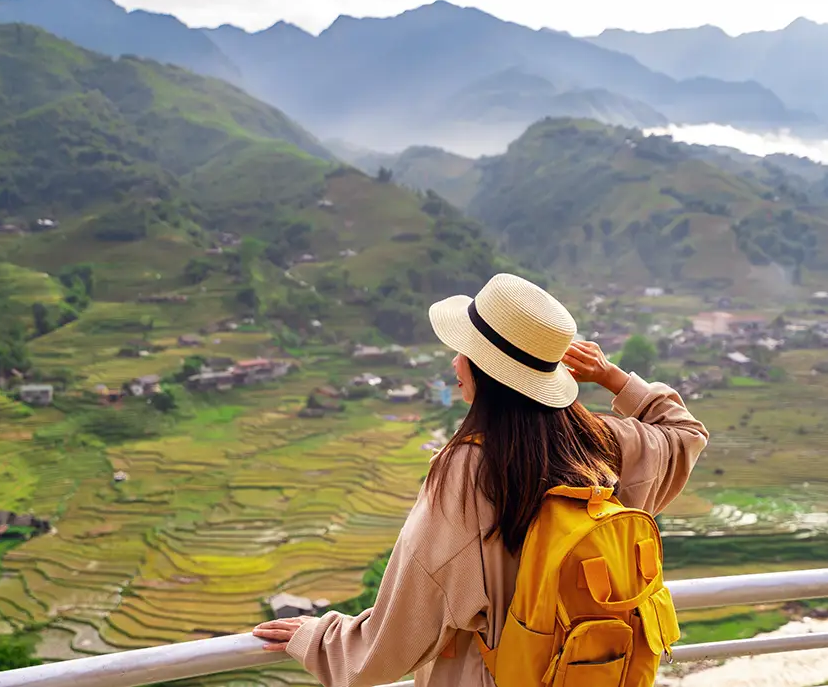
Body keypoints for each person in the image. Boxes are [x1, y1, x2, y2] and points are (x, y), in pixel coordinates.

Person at [254, 273, 708, 687]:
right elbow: (685, 434)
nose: (455, 363)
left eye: (463, 352)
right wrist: (610, 376)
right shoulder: (601, 443)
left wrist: (319, 636)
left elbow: (401, 627)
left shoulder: (468, 470)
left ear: (485, 370)